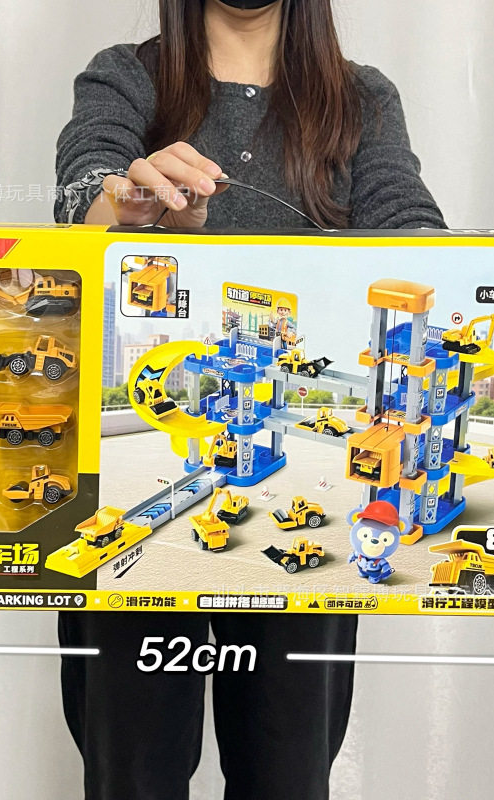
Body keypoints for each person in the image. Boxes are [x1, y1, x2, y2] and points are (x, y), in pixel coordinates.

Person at [55, 2, 445, 799]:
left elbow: (410, 225)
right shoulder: (126, 75)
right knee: (131, 770)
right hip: (138, 524)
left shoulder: (362, 99)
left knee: (287, 771)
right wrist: (128, 205)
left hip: (297, 517)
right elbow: (81, 189)